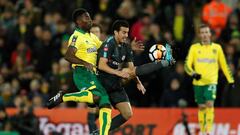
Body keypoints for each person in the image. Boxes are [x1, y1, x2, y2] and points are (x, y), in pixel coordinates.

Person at [95, 20, 175, 133]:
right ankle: (164, 62)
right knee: (94, 113)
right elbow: (101, 65)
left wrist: (138, 82)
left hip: (115, 82)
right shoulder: (108, 44)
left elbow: (133, 70)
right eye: (123, 32)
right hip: (103, 82)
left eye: (127, 33)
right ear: (115, 32)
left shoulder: (126, 47)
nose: (126, 35)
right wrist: (118, 73)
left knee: (127, 114)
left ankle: (99, 132)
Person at [47, 8, 112, 135]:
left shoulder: (91, 36)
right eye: (86, 18)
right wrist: (84, 63)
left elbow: (104, 48)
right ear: (78, 22)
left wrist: (121, 46)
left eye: (89, 17)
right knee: (98, 97)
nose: (90, 20)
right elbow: (68, 56)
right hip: (82, 72)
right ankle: (64, 96)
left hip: (93, 74)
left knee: (105, 102)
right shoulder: (76, 36)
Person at [184, 24, 234, 134]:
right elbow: (187, 65)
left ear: (210, 34)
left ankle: (209, 131)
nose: (205, 35)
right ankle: (203, 130)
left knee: (210, 104)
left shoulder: (217, 48)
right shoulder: (194, 48)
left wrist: (231, 80)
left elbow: (224, 65)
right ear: (199, 35)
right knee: (201, 107)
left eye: (206, 32)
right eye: (202, 33)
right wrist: (193, 74)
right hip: (198, 83)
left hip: (211, 82)